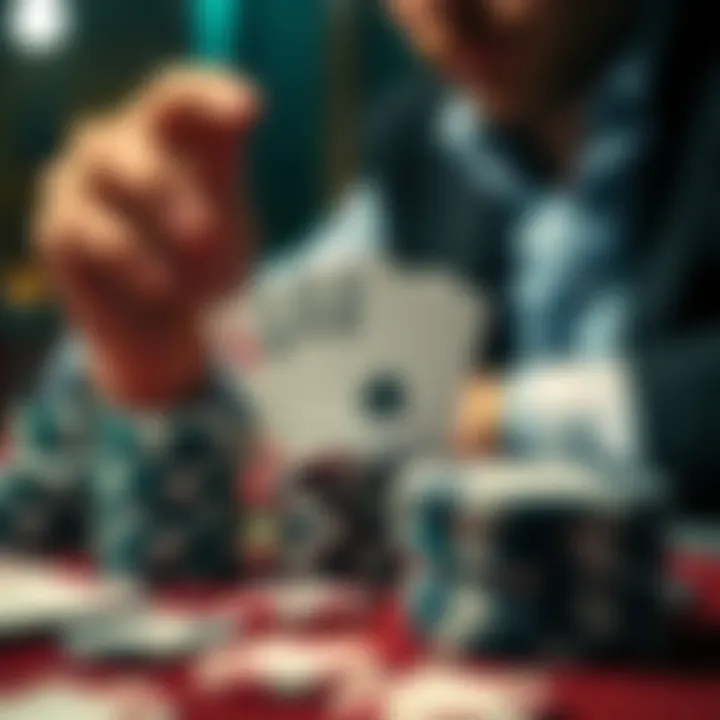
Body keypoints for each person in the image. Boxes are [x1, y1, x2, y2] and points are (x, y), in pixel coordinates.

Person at [1, 0, 718, 580]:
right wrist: (155, 353)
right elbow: (276, 357)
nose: (443, 10)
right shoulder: (422, 136)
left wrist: (473, 418)